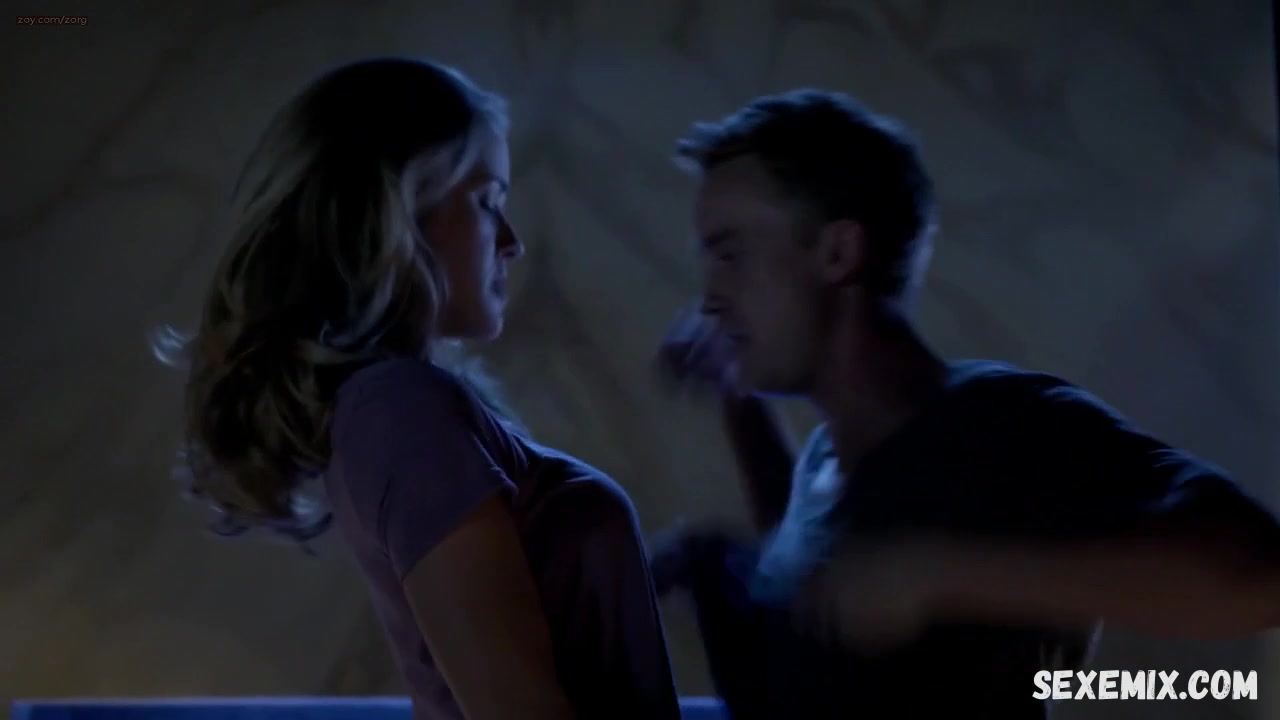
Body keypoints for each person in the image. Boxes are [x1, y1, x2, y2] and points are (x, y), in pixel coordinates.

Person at [652, 88, 1280, 719]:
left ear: (839, 253)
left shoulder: (1002, 425)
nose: (709, 297)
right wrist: (738, 436)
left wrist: (942, 574)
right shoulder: (829, 453)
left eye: (732, 255)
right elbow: (840, 578)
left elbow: (1261, 579)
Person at [156, 57, 681, 720]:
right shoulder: (400, 411)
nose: (513, 243)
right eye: (488, 203)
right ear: (397, 213)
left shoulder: (394, 409)